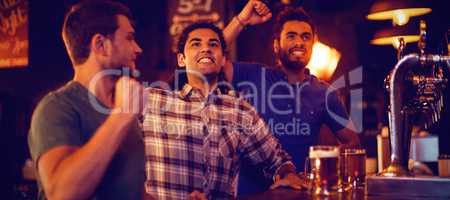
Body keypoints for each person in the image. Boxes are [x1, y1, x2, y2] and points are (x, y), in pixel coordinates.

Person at [142, 22, 304, 200]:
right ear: (181, 59)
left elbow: (277, 161)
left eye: (213, 44)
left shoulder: (240, 110)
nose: (205, 49)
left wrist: (288, 174)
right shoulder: (152, 101)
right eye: (196, 44)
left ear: (223, 60)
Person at [222, 2, 360, 193]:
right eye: (291, 36)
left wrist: (321, 165)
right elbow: (213, 55)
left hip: (299, 193)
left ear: (313, 43)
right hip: (251, 195)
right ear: (276, 44)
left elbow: (353, 144)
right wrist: (241, 20)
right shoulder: (253, 75)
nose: (299, 42)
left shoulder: (325, 93)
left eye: (306, 37)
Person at [28, 1, 145, 199]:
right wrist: (121, 116)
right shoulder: (57, 107)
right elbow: (61, 194)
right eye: (129, 38)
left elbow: (132, 192)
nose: (138, 48)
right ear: (101, 45)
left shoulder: (123, 113)